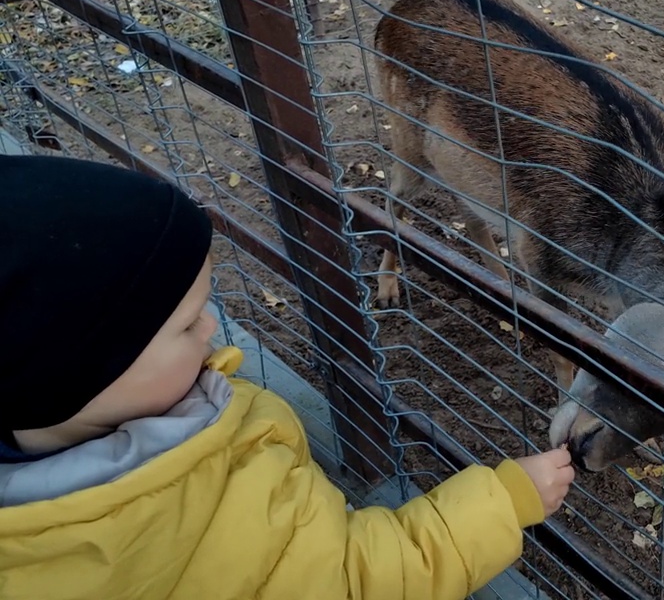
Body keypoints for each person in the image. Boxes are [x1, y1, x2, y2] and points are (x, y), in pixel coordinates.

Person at [0, 153, 575, 599]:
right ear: (77, 373)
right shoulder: (207, 538)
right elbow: (359, 580)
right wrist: (503, 501)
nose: (210, 331)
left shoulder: (76, 452)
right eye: (184, 326)